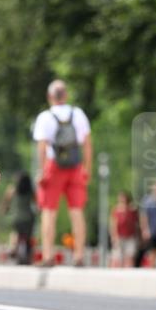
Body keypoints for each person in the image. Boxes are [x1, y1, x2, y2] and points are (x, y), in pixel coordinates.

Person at [32, 80, 91, 266]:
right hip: (75, 166)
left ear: (49, 97)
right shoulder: (78, 114)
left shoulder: (45, 117)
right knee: (77, 211)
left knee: (49, 212)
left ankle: (48, 256)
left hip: (53, 167)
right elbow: (87, 144)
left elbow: (42, 147)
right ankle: (79, 256)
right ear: (66, 95)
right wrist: (87, 168)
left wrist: (41, 171)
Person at [1, 171, 36, 265]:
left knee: (15, 232)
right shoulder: (31, 191)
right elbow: (37, 202)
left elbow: (6, 203)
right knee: (29, 238)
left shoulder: (12, 189)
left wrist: (5, 210)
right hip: (29, 218)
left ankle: (13, 247)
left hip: (16, 218)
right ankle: (29, 255)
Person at [110, 191, 139, 268]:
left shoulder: (132, 210)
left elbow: (136, 224)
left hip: (130, 237)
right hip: (119, 237)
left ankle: (129, 271)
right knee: (117, 258)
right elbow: (113, 225)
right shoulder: (116, 210)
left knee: (129, 257)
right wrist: (114, 237)